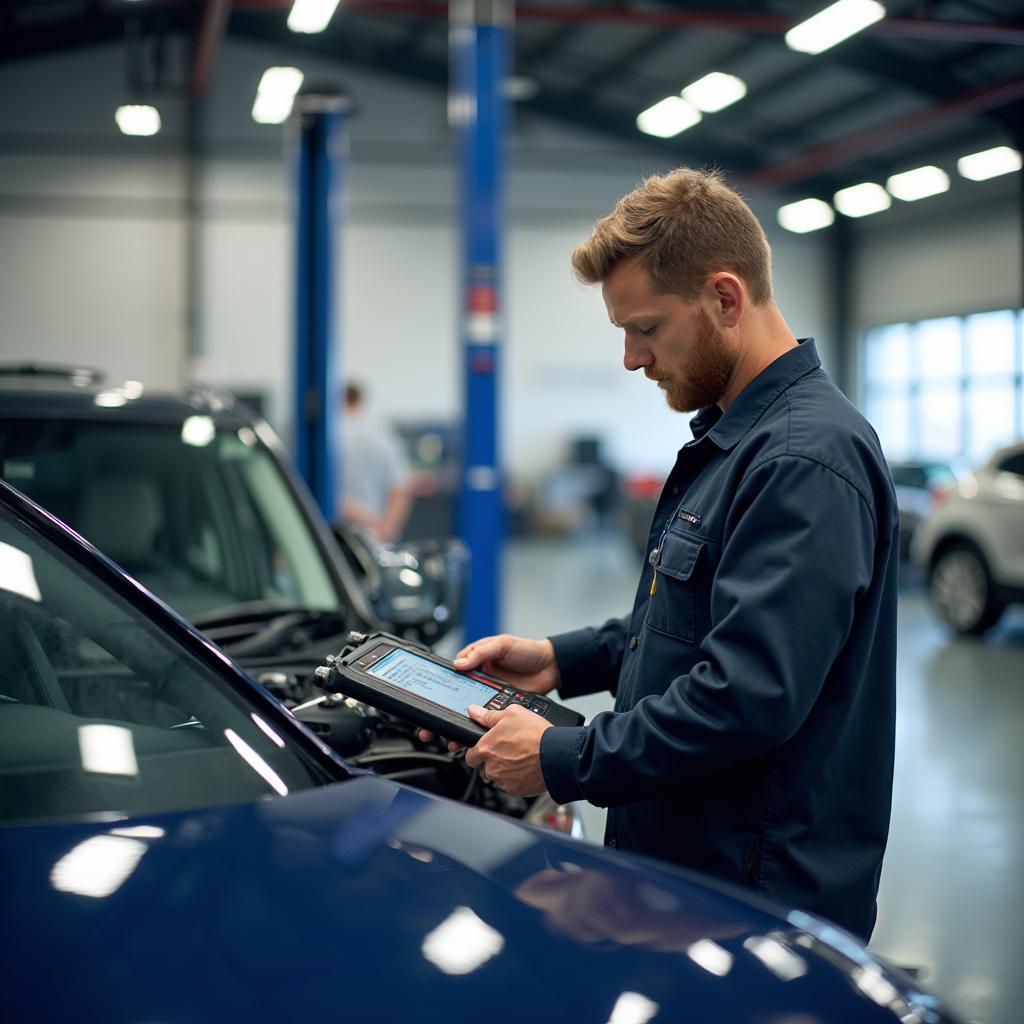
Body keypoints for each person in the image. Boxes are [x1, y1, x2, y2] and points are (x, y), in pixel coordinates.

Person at [447, 168, 899, 942]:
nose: (631, 357)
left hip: (755, 906)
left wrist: (565, 757)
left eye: (647, 328)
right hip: (695, 881)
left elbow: (744, 695)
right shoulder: (739, 442)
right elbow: (686, 628)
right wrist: (564, 658)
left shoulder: (802, 459)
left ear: (725, 298)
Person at [337, 382, 412, 544]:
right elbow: (401, 490)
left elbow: (328, 495)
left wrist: (366, 519)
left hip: (338, 535)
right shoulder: (384, 434)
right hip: (375, 538)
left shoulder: (330, 436)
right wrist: (385, 528)